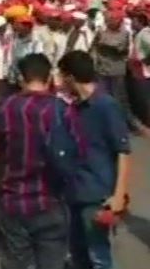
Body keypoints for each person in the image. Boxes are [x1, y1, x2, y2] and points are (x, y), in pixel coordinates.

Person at [0, 53, 71, 269]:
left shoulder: (6, 108)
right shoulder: (61, 111)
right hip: (51, 201)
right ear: (49, 79)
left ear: (21, 78)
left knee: (15, 262)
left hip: (12, 201)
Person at [57, 50, 132, 269]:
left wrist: (118, 196)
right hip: (75, 190)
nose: (60, 83)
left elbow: (123, 151)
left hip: (97, 194)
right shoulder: (74, 107)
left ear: (70, 77)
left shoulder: (105, 106)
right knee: (78, 253)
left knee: (99, 256)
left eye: (62, 77)